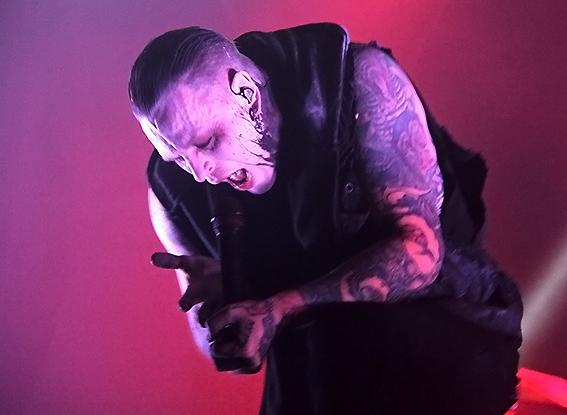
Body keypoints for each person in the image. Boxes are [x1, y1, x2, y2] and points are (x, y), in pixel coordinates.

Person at [128, 23, 522, 414]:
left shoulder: (358, 81)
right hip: (318, 375)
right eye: (177, 157)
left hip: (440, 336)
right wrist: (226, 304)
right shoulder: (172, 192)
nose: (201, 174)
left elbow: (419, 253)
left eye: (208, 142)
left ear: (246, 93)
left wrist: (280, 305)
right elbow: (219, 348)